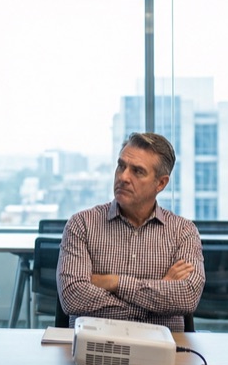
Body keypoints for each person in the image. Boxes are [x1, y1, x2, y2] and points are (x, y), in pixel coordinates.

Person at [57, 132, 204, 332]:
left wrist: (112, 282)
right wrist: (158, 295)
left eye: (137, 171)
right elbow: (73, 297)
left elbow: (187, 297)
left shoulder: (183, 232)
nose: (124, 177)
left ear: (160, 183)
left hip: (162, 353)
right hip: (94, 349)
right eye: (121, 166)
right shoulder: (82, 224)